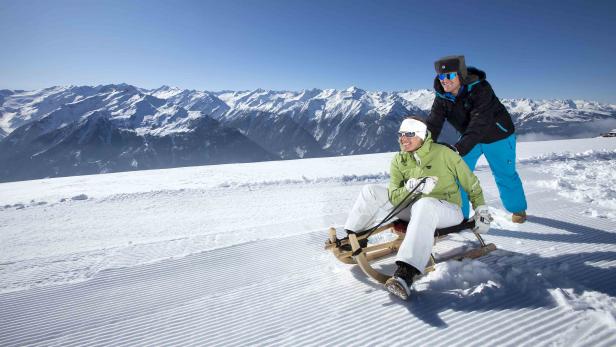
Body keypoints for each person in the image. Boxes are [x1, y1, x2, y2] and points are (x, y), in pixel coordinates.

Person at [343, 117, 491, 300]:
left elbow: (471, 183)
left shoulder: (444, 153)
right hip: (414, 206)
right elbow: (395, 196)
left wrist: (481, 210)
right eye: (401, 134)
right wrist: (410, 188)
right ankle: (354, 239)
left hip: (449, 210)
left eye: (409, 134)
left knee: (425, 203)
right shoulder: (399, 159)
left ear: (421, 135)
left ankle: (406, 273)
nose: (403, 139)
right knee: (370, 191)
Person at [426, 55, 528, 223]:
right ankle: (458, 217)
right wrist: (423, 145)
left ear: (461, 74)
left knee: (505, 175)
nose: (444, 80)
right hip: (469, 138)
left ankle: (517, 209)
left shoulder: (481, 89)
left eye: (449, 75)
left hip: (498, 137)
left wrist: (458, 148)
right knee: (458, 177)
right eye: (441, 76)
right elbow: (434, 123)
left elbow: (479, 122)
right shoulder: (442, 96)